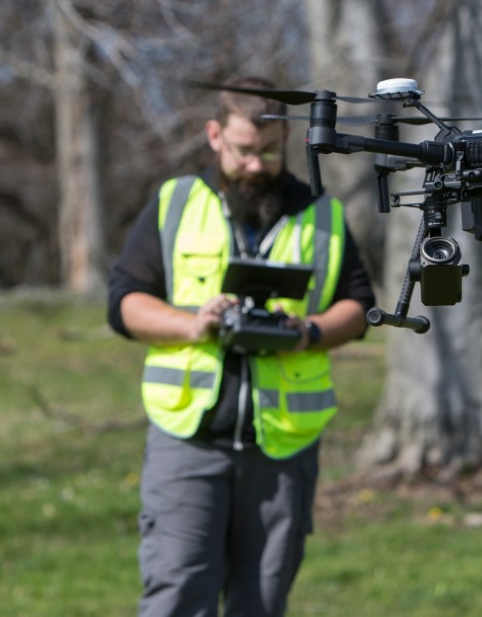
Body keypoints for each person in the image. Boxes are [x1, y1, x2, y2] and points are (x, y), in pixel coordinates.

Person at [108, 76, 376, 617]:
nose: (256, 165)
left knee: (262, 601)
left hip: (281, 447)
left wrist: (307, 332)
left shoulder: (321, 212)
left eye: (270, 153)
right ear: (214, 135)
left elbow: (358, 307)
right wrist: (193, 324)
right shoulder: (175, 203)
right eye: (244, 151)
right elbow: (125, 304)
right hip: (188, 438)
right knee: (177, 596)